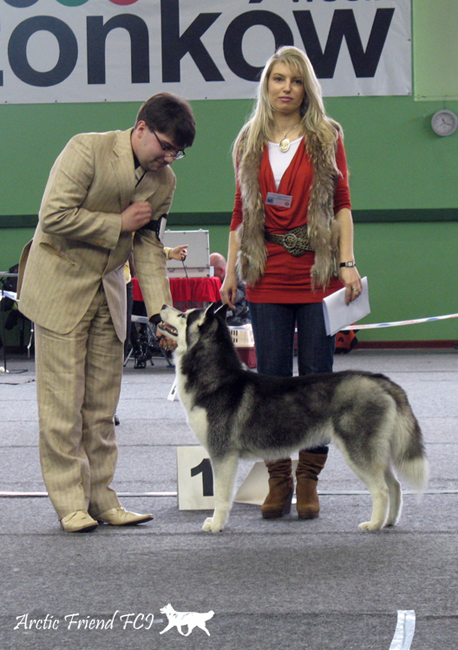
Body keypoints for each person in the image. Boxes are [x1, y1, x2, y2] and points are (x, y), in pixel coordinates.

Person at [17, 92, 196, 532]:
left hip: (109, 291)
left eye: (177, 152)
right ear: (141, 128)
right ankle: (70, 504)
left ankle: (102, 499)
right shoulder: (86, 149)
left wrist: (161, 314)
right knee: (62, 406)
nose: (168, 158)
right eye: (165, 147)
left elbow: (149, 246)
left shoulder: (165, 182)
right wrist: (118, 223)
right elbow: (53, 215)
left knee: (101, 409)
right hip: (60, 286)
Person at [220, 46, 362, 521]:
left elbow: (342, 203)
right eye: (278, 79)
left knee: (318, 381)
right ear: (266, 85)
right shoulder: (248, 139)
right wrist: (231, 269)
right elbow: (240, 211)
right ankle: (278, 478)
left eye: (296, 80)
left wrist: (347, 262)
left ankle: (309, 480)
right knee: (272, 382)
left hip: (318, 271)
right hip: (267, 271)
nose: (286, 88)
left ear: (307, 88)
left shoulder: (326, 135)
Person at [209, 252, 250, 326]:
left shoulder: (239, 286)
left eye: (211, 271)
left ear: (221, 271)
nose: (209, 276)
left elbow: (232, 316)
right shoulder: (214, 284)